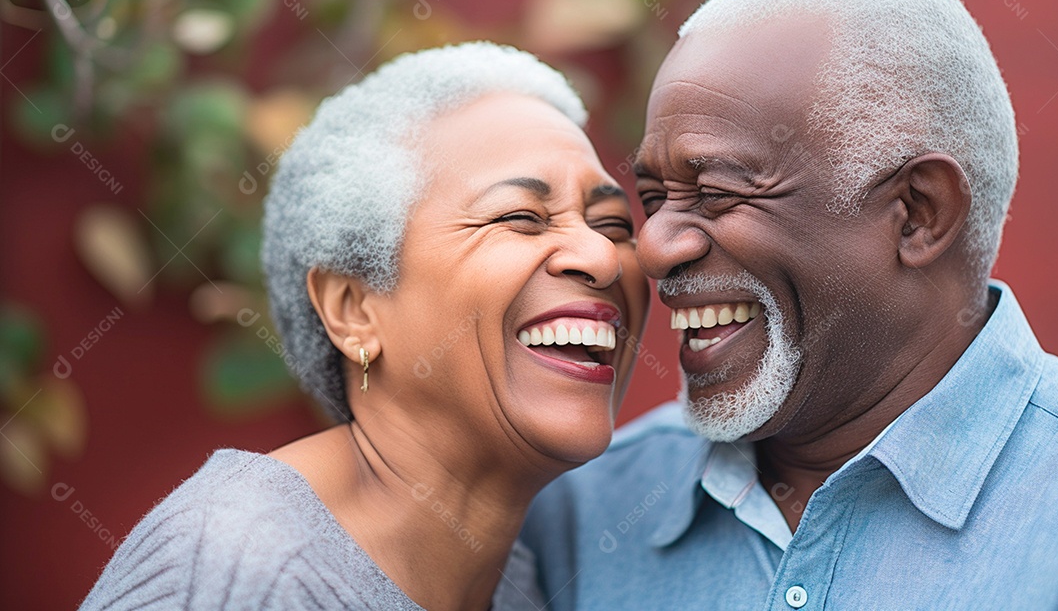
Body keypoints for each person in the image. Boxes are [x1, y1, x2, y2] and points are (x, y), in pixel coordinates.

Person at [521, 0, 1058, 609]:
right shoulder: (584, 517)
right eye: (654, 197)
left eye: (716, 193)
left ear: (920, 213)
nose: (652, 247)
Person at [79, 42, 650, 611]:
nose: (600, 257)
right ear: (353, 310)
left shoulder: (526, 585)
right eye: (520, 217)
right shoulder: (241, 573)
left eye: (613, 224)